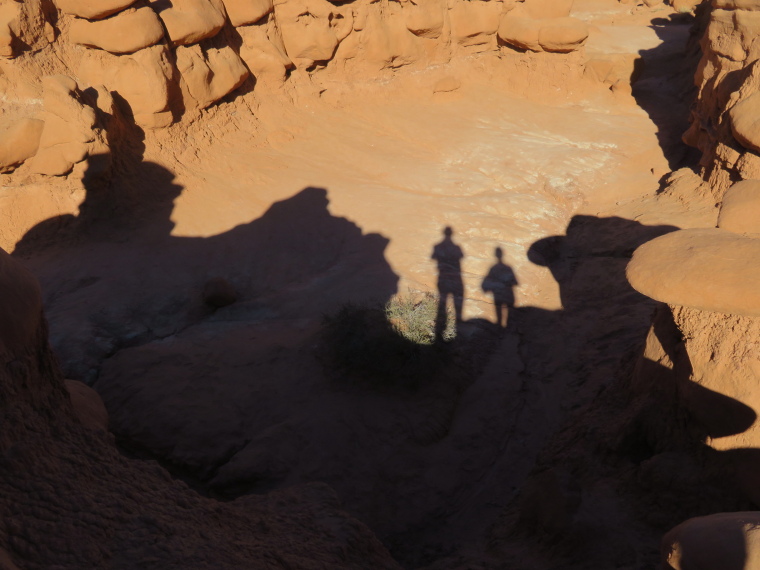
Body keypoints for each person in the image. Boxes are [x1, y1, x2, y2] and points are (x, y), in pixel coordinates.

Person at [431, 226, 464, 340]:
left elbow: (433, 257)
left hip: (442, 278)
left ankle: (439, 331)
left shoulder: (437, 246)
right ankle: (457, 328)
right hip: (456, 278)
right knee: (457, 303)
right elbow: (461, 257)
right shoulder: (457, 247)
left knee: (442, 302)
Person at [482, 246, 518, 329]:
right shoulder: (508, 268)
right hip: (508, 294)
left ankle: (500, 328)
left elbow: (486, 283)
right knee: (509, 311)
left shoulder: (493, 269)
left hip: (498, 294)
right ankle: (508, 328)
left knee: (499, 313)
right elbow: (515, 282)